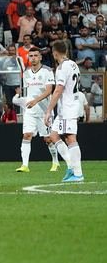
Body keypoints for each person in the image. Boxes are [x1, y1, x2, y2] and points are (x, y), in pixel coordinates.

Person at [13, 47, 61, 173]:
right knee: (27, 135)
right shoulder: (27, 73)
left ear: (40, 57)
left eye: (35, 55)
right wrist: (25, 101)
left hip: (44, 111)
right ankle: (24, 165)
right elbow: (27, 91)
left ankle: (55, 161)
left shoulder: (48, 71)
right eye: (31, 56)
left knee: (48, 139)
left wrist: (36, 101)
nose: (33, 58)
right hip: (30, 111)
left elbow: (49, 90)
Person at [44, 42, 84, 182]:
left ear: (55, 53)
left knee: (70, 138)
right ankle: (70, 167)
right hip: (68, 106)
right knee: (54, 135)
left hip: (68, 107)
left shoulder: (62, 68)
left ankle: (77, 173)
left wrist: (48, 111)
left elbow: (58, 90)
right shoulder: (73, 64)